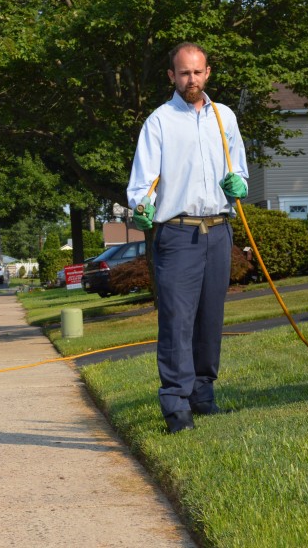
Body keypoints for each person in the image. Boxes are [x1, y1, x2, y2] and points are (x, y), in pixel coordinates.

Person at [126, 42, 248, 434]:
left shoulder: (224, 117)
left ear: (207, 72)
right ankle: (176, 408)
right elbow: (141, 182)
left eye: (197, 72)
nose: (191, 79)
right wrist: (141, 204)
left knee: (210, 320)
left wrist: (238, 185)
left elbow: (241, 172)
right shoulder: (159, 122)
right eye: (183, 73)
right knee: (177, 321)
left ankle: (203, 395)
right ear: (171, 76)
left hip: (218, 230)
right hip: (177, 234)